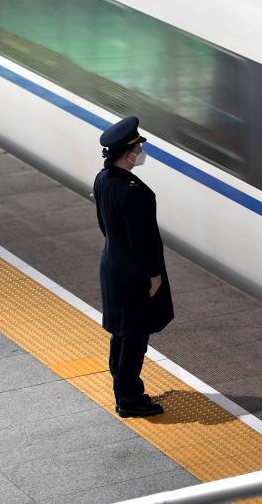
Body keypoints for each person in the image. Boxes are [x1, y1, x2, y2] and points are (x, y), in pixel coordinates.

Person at [93, 116, 174, 417]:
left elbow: (105, 226)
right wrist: (153, 275)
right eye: (138, 148)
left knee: (121, 334)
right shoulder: (135, 192)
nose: (141, 152)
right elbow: (144, 241)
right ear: (128, 155)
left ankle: (123, 389)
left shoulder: (103, 179)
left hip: (112, 265)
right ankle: (129, 400)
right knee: (135, 338)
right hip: (133, 275)